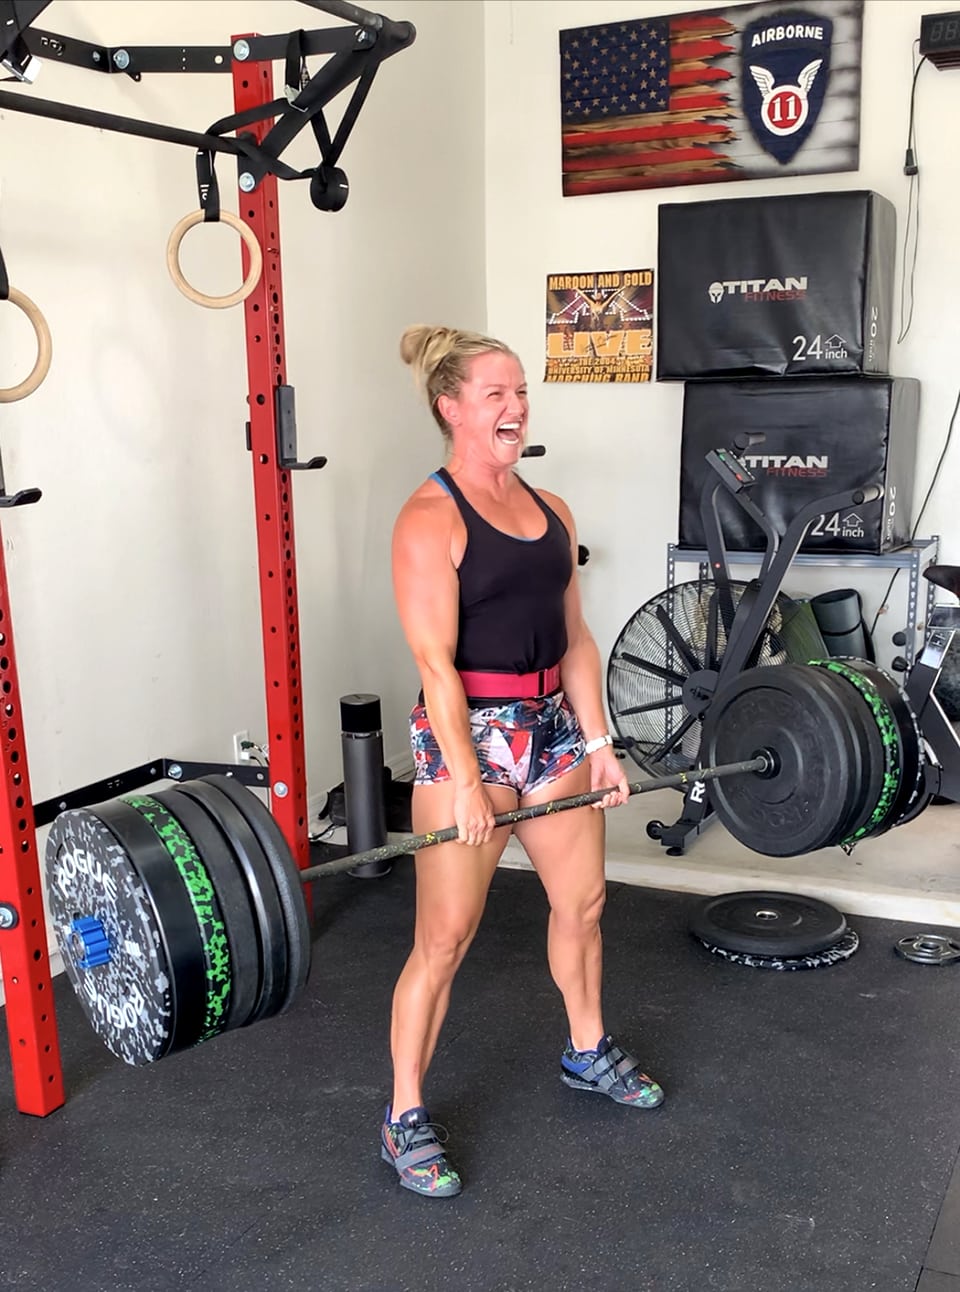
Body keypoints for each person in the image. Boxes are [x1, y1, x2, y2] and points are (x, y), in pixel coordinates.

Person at [382, 324, 664, 1200]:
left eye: (521, 393)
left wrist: (601, 742)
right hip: (470, 733)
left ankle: (586, 1048)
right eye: (497, 394)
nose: (516, 407)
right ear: (452, 407)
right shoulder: (429, 519)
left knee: (582, 903)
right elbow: (435, 667)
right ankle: (403, 1117)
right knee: (445, 937)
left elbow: (575, 637)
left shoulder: (552, 512)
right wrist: (468, 782)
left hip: (550, 727)